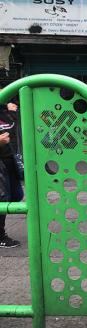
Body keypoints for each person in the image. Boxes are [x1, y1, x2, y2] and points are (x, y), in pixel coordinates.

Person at [0, 101, 23, 248]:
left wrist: (13, 113)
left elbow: (15, 132)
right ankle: (0, 236)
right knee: (2, 198)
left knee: (16, 195)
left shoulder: (5, 110)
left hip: (9, 160)